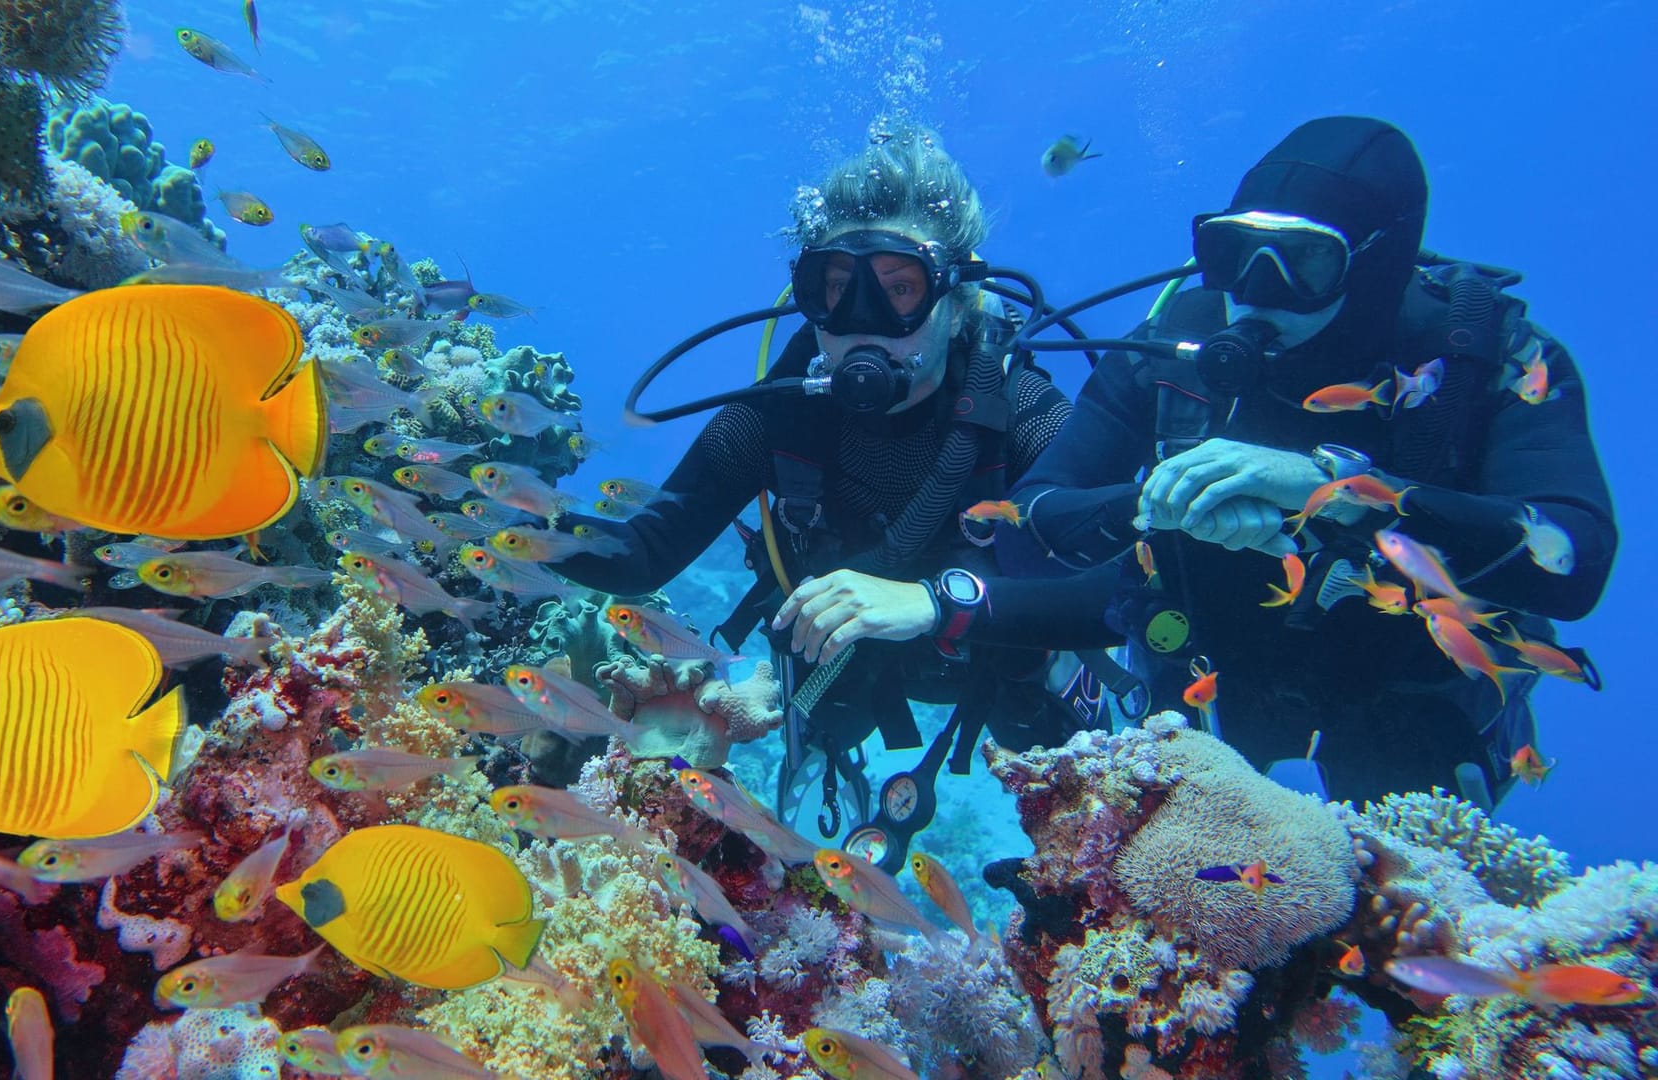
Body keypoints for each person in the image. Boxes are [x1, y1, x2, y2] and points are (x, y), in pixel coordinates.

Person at [1004, 116, 1616, 809]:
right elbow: (1022, 529)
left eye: (1307, 260)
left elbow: (1577, 558)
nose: (1258, 289)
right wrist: (1154, 500)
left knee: (1400, 894)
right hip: (1205, 680)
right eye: (1235, 252)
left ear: (1377, 262)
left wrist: (1346, 491)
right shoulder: (1174, 350)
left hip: (1408, 694)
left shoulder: (1483, 360)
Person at [556, 125, 1117, 871]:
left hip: (996, 647)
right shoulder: (775, 412)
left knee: (1062, 767)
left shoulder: (1026, 412)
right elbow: (643, 551)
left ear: (956, 299)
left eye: (900, 292)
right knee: (826, 720)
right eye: (835, 292)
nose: (861, 327)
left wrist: (940, 601)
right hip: (845, 661)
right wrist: (511, 519)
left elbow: (1123, 582)